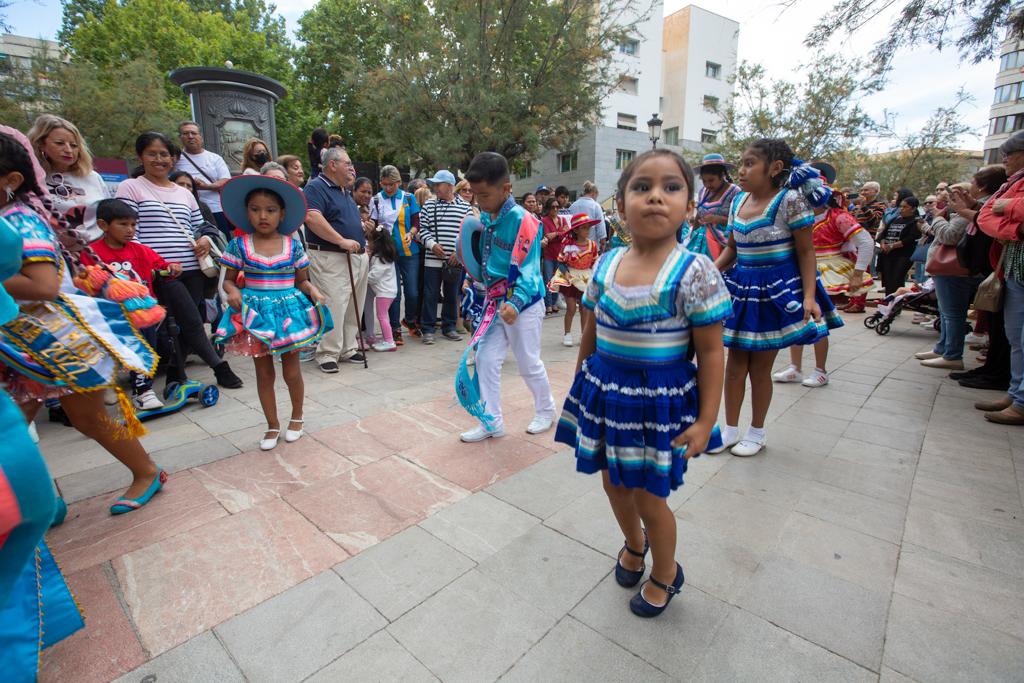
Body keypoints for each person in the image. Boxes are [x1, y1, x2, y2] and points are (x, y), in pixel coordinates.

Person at [554, 148, 729, 618]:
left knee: (651, 496)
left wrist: (708, 419)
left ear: (689, 206)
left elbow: (712, 351)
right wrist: (580, 376)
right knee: (613, 483)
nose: (656, 197)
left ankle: (666, 572)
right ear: (620, 203)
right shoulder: (607, 263)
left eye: (671, 187)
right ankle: (634, 543)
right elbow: (592, 322)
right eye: (642, 187)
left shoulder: (694, 270)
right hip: (605, 394)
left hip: (657, 404)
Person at [0, 127, 167, 514]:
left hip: (51, 336)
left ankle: (146, 471)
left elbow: (42, 286)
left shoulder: (22, 221)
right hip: (13, 339)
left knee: (88, 418)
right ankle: (38, 499)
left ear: (11, 180)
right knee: (11, 427)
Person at [713, 139, 841, 457]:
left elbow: (806, 252)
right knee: (734, 365)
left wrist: (810, 298)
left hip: (775, 292)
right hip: (742, 290)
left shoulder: (790, 201)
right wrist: (708, 273)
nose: (741, 170)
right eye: (740, 163)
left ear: (775, 168)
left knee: (760, 367)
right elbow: (732, 247)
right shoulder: (738, 202)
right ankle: (729, 430)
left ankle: (756, 432)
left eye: (749, 163)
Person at [117, 132, 244, 389]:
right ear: (140, 156)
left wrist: (206, 239)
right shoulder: (130, 187)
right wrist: (155, 264)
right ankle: (220, 368)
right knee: (190, 320)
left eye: (164, 154)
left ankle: (176, 370)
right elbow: (129, 232)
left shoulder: (183, 193)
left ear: (172, 159)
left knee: (190, 318)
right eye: (152, 153)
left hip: (193, 267)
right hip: (159, 271)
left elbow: (203, 226)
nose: (159, 159)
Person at [214, 176, 330, 450]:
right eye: (255, 209)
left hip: (288, 311)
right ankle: (272, 424)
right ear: (246, 212)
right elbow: (228, 279)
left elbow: (301, 280)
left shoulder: (293, 245)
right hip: (255, 314)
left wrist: (313, 291)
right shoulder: (239, 245)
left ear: (282, 214)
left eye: (270, 210)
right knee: (264, 373)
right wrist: (232, 291)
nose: (262, 215)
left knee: (292, 371)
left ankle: (297, 418)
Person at [457, 152, 555, 442]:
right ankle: (491, 421)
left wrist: (516, 301)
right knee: (485, 359)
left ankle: (546, 410)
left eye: (484, 195)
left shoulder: (525, 222)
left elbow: (529, 269)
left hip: (522, 304)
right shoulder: (486, 216)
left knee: (527, 362)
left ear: (506, 189)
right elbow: (481, 258)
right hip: (495, 302)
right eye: (474, 195)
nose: (478, 202)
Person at [82, 198, 183, 409]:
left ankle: (143, 391)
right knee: (112, 354)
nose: (130, 230)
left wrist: (172, 266)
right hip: (111, 315)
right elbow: (85, 282)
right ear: (103, 225)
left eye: (133, 224)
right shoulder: (92, 253)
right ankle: (107, 384)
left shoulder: (139, 250)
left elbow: (162, 264)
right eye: (123, 224)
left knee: (146, 351)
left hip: (143, 313)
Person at [773, 186, 873, 387]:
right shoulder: (799, 219)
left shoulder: (838, 217)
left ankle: (820, 370)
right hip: (799, 270)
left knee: (819, 321)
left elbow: (866, 242)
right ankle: (795, 367)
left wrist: (858, 272)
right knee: (797, 318)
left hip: (828, 270)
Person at [303, 146, 368, 372]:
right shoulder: (316, 187)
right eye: (348, 164)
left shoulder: (343, 191)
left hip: (356, 256)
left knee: (353, 305)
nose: (352, 168)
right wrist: (341, 240)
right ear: (333, 165)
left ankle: (347, 347)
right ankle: (327, 352)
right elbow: (312, 217)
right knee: (334, 303)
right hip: (332, 255)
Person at [977, 131, 1024, 425]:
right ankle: (1016, 392)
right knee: (1015, 334)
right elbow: (985, 216)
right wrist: (1016, 230)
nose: (1005, 159)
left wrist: (1007, 207)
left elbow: (997, 209)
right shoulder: (1014, 182)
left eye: (1009, 154)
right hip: (1015, 266)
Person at [948, 165, 1010, 391]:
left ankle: (998, 373)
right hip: (989, 267)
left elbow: (992, 225)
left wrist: (967, 211)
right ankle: (991, 368)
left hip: (999, 268)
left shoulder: (998, 200)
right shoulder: (992, 200)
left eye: (973, 181)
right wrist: (971, 207)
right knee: (995, 324)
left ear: (982, 185)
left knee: (1002, 326)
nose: (970, 185)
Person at [915, 182, 984, 371]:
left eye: (954, 195)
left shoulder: (964, 215)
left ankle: (952, 354)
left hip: (955, 270)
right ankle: (943, 348)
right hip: (948, 270)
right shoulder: (956, 214)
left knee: (953, 314)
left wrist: (937, 219)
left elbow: (949, 236)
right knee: (946, 313)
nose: (948, 198)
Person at [369, 166, 422, 341]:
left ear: (398, 182)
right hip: (388, 254)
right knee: (394, 293)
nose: (388, 188)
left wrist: (411, 233)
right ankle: (395, 328)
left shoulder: (409, 198)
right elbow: (374, 226)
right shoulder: (376, 200)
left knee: (412, 292)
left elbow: (416, 222)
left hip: (410, 251)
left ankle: (410, 319)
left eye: (391, 184)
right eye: (384, 185)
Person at [27, 114, 108, 224]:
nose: (68, 150)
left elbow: (110, 215)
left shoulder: (93, 177)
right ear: (41, 144)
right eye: (60, 143)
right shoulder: (30, 178)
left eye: (74, 145)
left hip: (97, 241)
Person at [419, 170, 471, 343]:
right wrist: (432, 245)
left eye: (438, 184)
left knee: (451, 295)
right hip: (432, 260)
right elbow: (422, 230)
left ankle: (449, 327)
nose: (435, 187)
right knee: (430, 294)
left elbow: (469, 233)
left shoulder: (465, 207)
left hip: (454, 261)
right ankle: (428, 329)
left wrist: (459, 252)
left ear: (449, 186)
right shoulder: (429, 205)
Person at [548, 213, 601, 347]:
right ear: (576, 230)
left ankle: (583, 334)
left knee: (584, 308)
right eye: (584, 228)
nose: (587, 230)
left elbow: (595, 262)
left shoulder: (592, 245)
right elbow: (561, 262)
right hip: (571, 277)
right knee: (571, 308)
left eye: (588, 228)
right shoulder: (568, 244)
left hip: (585, 278)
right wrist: (565, 274)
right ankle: (567, 333)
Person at [175, 121, 233, 238]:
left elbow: (226, 181)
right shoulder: (176, 159)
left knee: (221, 243)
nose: (190, 136)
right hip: (187, 210)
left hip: (215, 209)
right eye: (186, 133)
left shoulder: (215, 158)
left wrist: (205, 186)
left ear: (200, 136)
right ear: (180, 137)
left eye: (193, 133)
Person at [689, 153, 740, 260]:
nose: (707, 185)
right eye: (704, 181)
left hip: (723, 245)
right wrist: (692, 234)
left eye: (711, 180)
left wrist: (717, 219)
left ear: (722, 175)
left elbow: (740, 222)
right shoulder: (703, 191)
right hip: (699, 241)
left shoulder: (735, 192)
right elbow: (699, 215)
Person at [876, 197, 922, 296]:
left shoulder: (915, 221)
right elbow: (883, 234)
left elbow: (911, 238)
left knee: (897, 280)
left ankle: (895, 306)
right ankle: (887, 306)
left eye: (905, 207)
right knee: (888, 280)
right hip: (888, 254)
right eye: (901, 206)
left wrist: (893, 246)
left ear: (913, 209)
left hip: (903, 255)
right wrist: (883, 244)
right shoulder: (895, 219)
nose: (901, 209)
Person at [365, 222, 399, 351]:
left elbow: (374, 276)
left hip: (384, 292)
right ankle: (388, 339)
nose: (369, 244)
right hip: (387, 292)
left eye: (370, 241)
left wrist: (363, 279)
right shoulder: (385, 257)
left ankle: (389, 342)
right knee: (383, 316)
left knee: (382, 316)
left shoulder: (380, 259)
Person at [539, 197, 568, 314]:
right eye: (553, 207)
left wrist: (555, 234)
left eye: (557, 207)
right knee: (548, 280)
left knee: (557, 280)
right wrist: (560, 234)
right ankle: (548, 305)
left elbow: (567, 234)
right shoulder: (544, 220)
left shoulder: (562, 220)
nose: (555, 209)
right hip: (549, 255)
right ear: (548, 208)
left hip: (560, 255)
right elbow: (547, 236)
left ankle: (554, 303)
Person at [568, 180, 607, 246]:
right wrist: (603, 241)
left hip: (575, 243)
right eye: (596, 196)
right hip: (591, 245)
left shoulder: (572, 206)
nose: (596, 198)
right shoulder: (595, 205)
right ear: (593, 193)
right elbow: (601, 227)